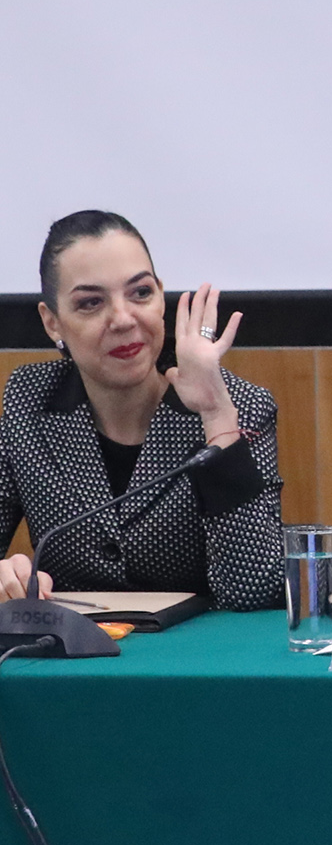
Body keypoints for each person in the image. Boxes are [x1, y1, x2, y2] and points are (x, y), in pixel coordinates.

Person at [0, 211, 281, 608]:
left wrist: (217, 419)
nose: (123, 319)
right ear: (52, 322)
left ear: (161, 297)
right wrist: (7, 575)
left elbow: (257, 594)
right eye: (91, 303)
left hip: (199, 645)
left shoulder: (237, 406)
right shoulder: (31, 401)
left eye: (140, 293)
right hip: (74, 643)